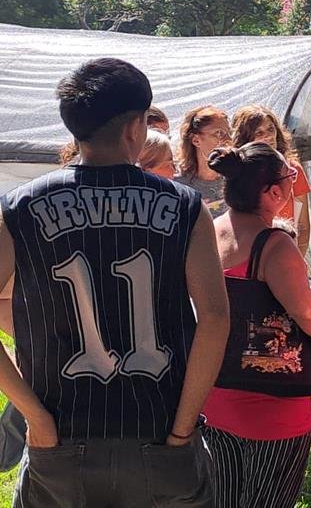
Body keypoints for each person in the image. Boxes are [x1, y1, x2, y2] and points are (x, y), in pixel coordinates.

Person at [0, 57, 229, 506]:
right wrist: (183, 428)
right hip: (159, 429)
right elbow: (216, 319)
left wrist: (35, 418)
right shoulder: (185, 207)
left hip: (61, 435)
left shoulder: (18, 208)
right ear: (135, 127)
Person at [201, 142, 311, 508]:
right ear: (273, 192)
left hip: (214, 397)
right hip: (273, 410)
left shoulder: (210, 232)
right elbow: (305, 311)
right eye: (290, 175)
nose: (294, 181)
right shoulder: (275, 245)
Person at [231, 105, 311, 257]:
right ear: (246, 138)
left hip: (289, 251)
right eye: (259, 132)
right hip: (250, 254)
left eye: (270, 129)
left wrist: (297, 258)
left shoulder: (293, 169)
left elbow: (303, 225)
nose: (268, 136)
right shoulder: (239, 174)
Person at [176, 105, 232, 218]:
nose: (228, 140)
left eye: (229, 133)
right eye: (219, 133)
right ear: (196, 140)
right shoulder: (179, 185)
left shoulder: (234, 179)